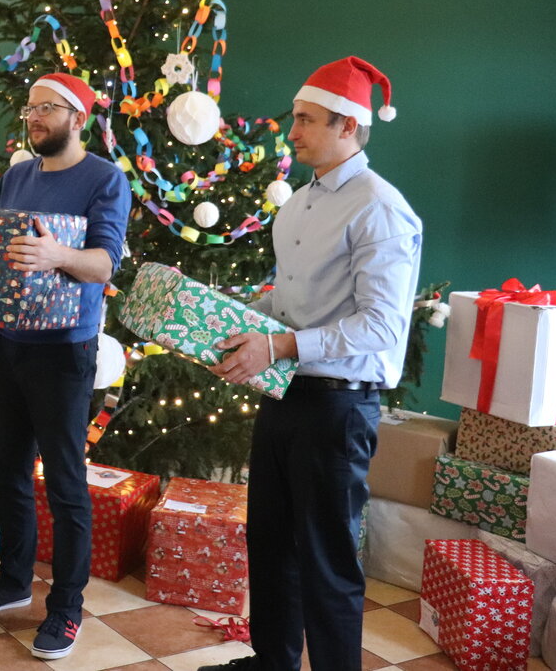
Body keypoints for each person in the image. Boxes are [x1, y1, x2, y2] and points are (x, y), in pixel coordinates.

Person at [203, 57, 422, 671]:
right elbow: (289, 302)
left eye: (305, 120)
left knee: (327, 560)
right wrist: (227, 319)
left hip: (339, 408)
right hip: (284, 397)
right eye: (295, 117)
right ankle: (272, 661)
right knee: (270, 541)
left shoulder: (380, 208)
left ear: (347, 125)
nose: (291, 131)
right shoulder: (297, 205)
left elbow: (381, 326)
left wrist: (277, 347)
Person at [0, 73, 129, 660]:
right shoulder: (17, 176)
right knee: (7, 467)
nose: (33, 117)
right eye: (30, 108)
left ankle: (67, 608)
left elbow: (104, 264)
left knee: (67, 483)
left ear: (77, 118)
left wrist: (57, 255)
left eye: (47, 108)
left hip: (64, 350)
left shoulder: (105, 179)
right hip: (9, 342)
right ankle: (13, 581)